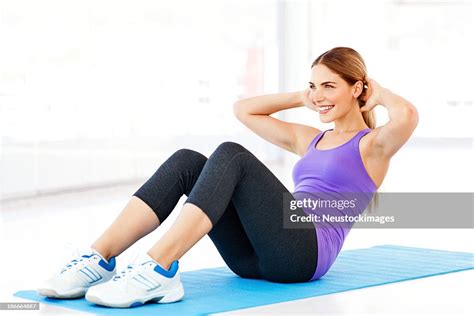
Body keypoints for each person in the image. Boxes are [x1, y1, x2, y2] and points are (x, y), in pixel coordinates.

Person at [37, 47, 418, 308]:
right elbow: (245, 111)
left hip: (304, 255)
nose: (319, 95)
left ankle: (157, 269)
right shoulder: (311, 139)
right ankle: (96, 260)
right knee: (188, 160)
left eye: (330, 85)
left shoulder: (372, 146)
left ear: (357, 88)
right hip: (254, 258)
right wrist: (302, 98)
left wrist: (379, 92)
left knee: (231, 155)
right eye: (314, 85)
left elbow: (407, 117)